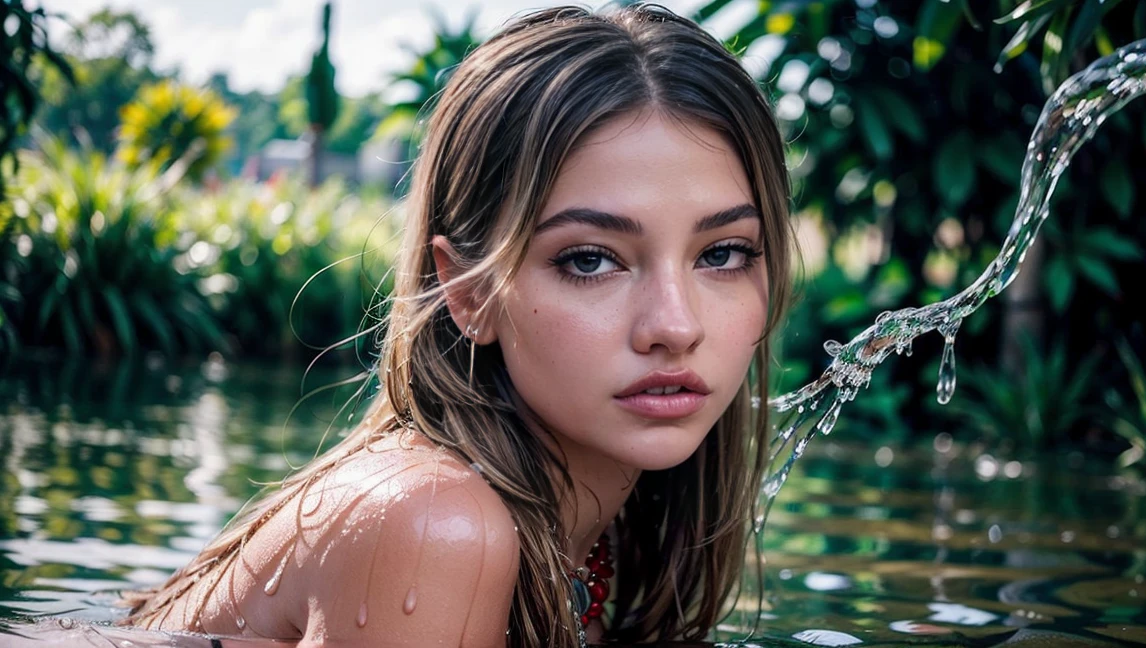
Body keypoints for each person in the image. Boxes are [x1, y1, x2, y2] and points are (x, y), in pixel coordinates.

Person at [117, 4, 795, 646]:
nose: (675, 326)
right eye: (590, 260)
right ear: (468, 291)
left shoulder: (598, 534)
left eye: (723, 254)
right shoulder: (434, 524)